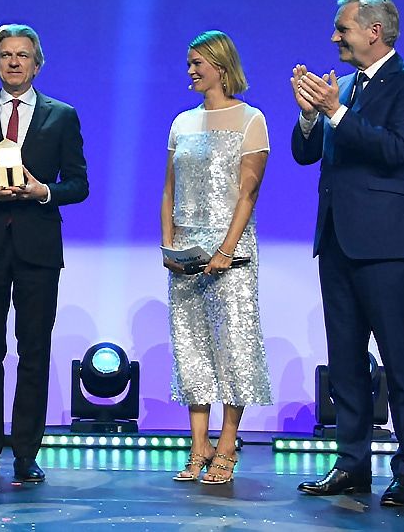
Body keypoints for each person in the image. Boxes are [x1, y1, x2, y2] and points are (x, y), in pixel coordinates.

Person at [291, 0, 404, 507]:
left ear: (374, 32)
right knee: (345, 363)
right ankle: (351, 463)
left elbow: (397, 150)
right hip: (337, 241)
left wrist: (335, 112)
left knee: (400, 360)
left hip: (389, 245)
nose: (334, 36)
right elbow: (307, 154)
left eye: (343, 28)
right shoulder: (346, 86)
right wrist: (311, 116)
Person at [0, 24, 89, 484]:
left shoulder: (61, 116)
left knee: (34, 350)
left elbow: (79, 184)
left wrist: (43, 191)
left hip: (38, 249)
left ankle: (26, 452)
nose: (14, 62)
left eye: (22, 55)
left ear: (37, 64)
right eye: (6, 54)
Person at [161, 30, 272, 485]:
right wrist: (168, 244)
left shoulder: (251, 119)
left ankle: (227, 445)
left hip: (232, 253)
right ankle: (198, 445)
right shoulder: (181, 123)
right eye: (189, 62)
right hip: (186, 254)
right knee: (191, 349)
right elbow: (169, 190)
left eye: (197, 63)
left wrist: (226, 248)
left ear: (221, 67)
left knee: (233, 348)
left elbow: (248, 193)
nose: (190, 70)